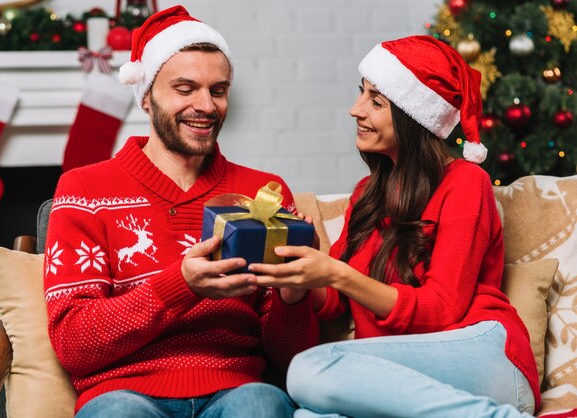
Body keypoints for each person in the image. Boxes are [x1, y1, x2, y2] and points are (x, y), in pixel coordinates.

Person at [43, 5, 325, 418]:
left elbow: (291, 360)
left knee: (263, 405)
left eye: (218, 89)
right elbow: (74, 345)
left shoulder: (263, 192)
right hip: (123, 394)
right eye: (185, 88)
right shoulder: (84, 189)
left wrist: (293, 294)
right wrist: (180, 285)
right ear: (146, 97)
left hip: (238, 390)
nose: (206, 106)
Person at [249, 35, 540, 417]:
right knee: (309, 415)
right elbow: (334, 302)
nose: (356, 109)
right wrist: (298, 278)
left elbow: (440, 311)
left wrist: (335, 273)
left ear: (411, 115)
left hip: (483, 354)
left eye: (376, 101)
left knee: (309, 369)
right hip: (403, 373)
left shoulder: (466, 183)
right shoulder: (367, 193)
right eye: (361, 93)